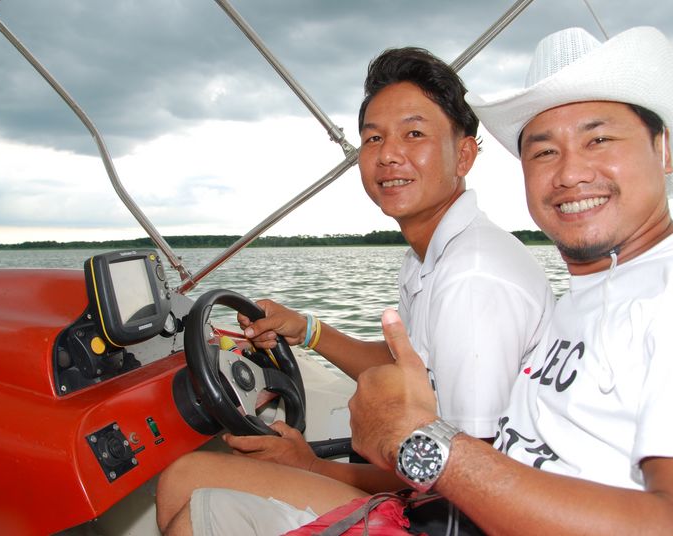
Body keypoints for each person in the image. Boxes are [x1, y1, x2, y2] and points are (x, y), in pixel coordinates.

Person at [347, 26, 673, 534]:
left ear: (662, 150)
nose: (570, 173)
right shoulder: (583, 300)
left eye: (599, 139)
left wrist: (420, 443)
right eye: (544, 151)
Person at [155, 47, 554, 535]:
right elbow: (407, 369)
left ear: (465, 154)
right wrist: (307, 330)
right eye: (373, 138)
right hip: (442, 491)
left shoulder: (472, 279)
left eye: (414, 133)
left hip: (459, 519)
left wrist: (311, 466)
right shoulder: (432, 255)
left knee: (190, 493)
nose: (388, 154)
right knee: (185, 478)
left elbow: (466, 481)